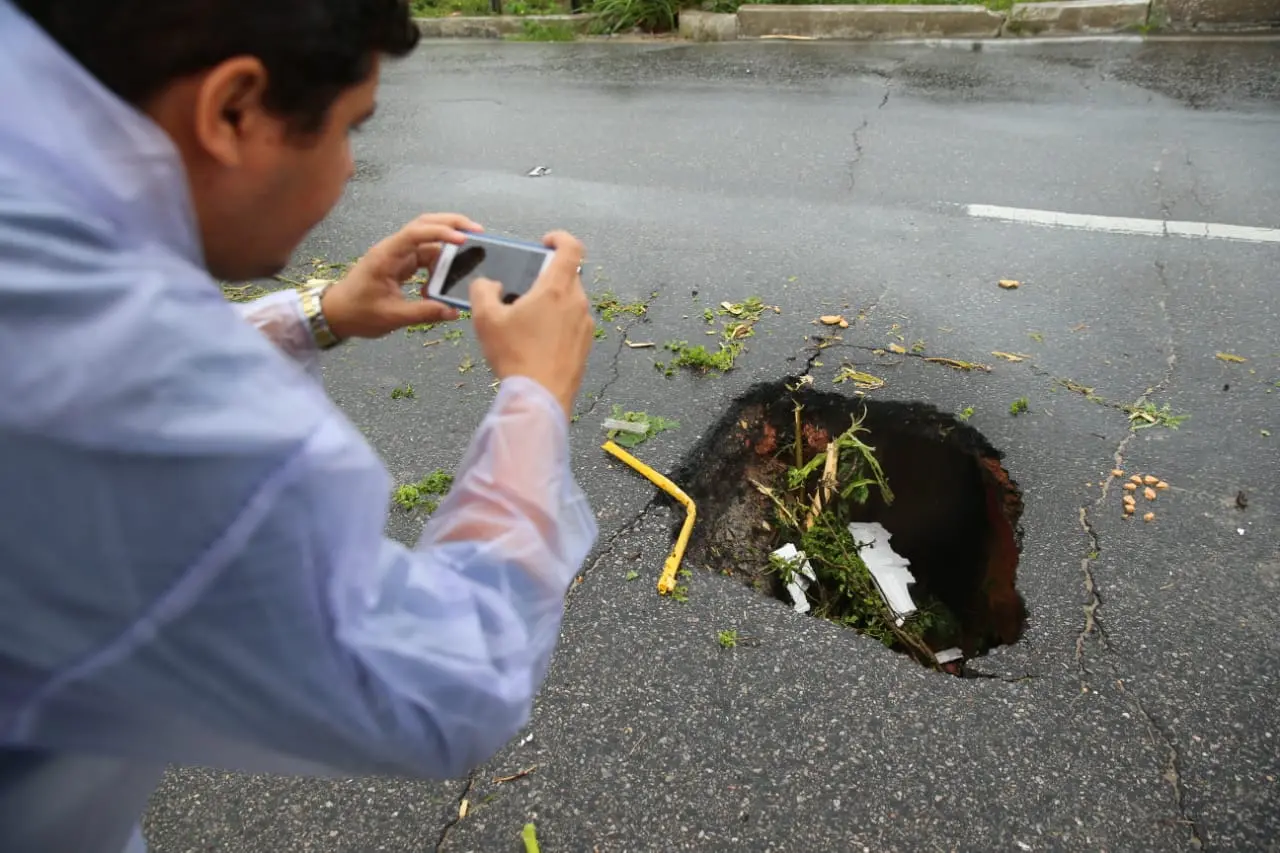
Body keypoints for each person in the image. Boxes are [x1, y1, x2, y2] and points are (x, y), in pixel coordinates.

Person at [0, 2, 599, 852]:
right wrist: (536, 394)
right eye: (350, 129)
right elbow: (453, 682)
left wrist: (320, 314)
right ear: (233, 109)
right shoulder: (160, 407)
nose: (351, 168)